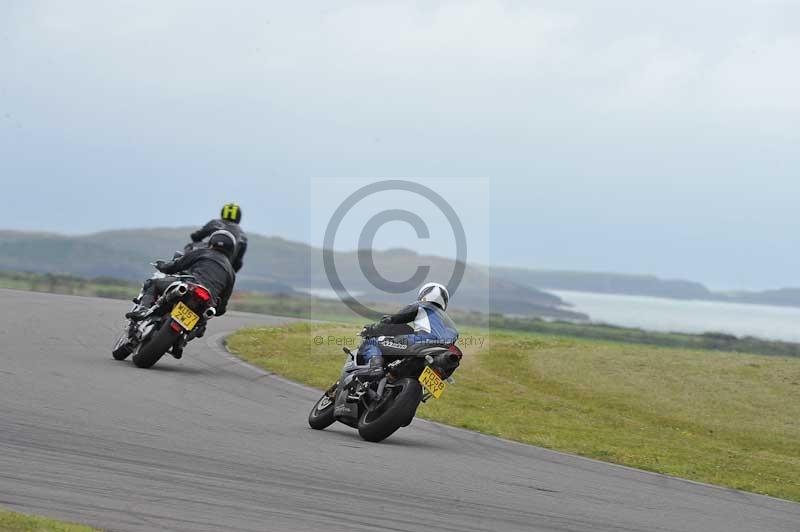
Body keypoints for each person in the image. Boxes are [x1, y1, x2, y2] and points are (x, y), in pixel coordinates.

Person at [349, 282, 459, 380]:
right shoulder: (451, 324)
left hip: (422, 342)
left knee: (372, 342)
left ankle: (375, 368)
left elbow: (395, 319)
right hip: (441, 355)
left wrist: (374, 328)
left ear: (424, 295)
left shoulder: (422, 305)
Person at [126, 230, 237, 325]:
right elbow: (223, 302)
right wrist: (218, 310)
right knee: (203, 320)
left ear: (212, 242)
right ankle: (182, 339)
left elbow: (176, 266)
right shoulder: (231, 272)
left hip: (190, 286)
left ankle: (143, 309)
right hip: (207, 301)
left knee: (153, 283)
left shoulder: (203, 252)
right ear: (232, 250)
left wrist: (162, 266)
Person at [189, 203, 248, 272]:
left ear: (222, 213)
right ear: (238, 217)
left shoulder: (215, 223)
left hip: (204, 258)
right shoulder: (242, 236)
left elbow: (196, 236)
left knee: (190, 247)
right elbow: (237, 263)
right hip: (224, 268)